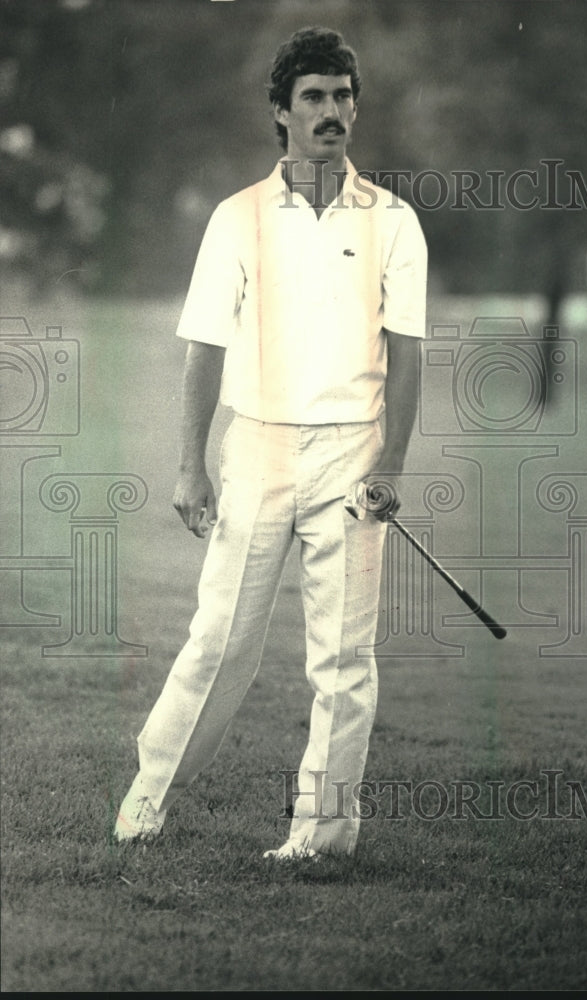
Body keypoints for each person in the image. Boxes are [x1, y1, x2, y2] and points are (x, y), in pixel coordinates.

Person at [114, 27, 427, 859]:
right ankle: (148, 797)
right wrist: (189, 463)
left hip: (355, 454)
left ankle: (320, 837)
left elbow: (408, 354)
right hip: (254, 448)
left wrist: (390, 466)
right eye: (315, 97)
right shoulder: (237, 218)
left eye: (343, 95)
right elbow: (204, 348)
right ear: (281, 113)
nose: (333, 111)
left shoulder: (393, 220)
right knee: (220, 638)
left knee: (343, 657)